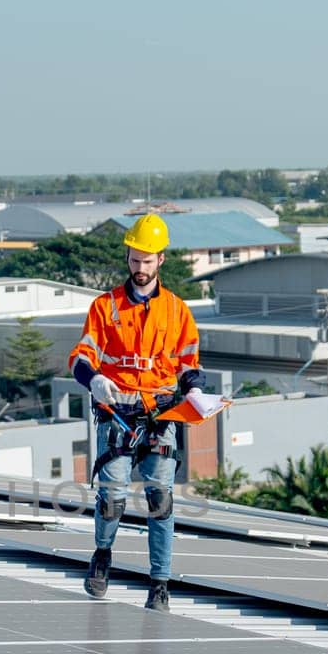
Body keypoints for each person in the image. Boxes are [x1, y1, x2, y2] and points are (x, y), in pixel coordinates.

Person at [68, 213, 206, 611]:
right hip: (117, 412)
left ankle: (159, 583)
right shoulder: (105, 306)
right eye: (134, 260)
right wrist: (92, 378)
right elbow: (82, 355)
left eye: (147, 261)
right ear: (127, 256)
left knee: (160, 500)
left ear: (161, 260)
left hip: (160, 416)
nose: (139, 268)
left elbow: (188, 362)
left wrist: (194, 388)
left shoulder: (177, 311)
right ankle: (102, 554)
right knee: (111, 496)